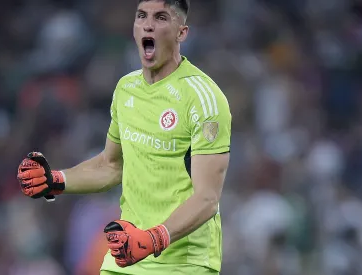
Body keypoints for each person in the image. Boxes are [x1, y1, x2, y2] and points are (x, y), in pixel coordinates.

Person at [16, 0, 231, 274]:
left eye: (161, 18)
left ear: (181, 33)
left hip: (181, 262)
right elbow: (111, 166)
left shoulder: (204, 99)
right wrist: (57, 180)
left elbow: (207, 198)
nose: (148, 24)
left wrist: (154, 238)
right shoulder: (126, 89)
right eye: (142, 16)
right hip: (128, 257)